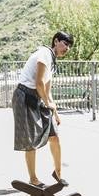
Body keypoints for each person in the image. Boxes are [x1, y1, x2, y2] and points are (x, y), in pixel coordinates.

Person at [12, 31, 73, 185]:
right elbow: (39, 82)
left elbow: (47, 90)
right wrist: (48, 103)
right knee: (30, 141)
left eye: (69, 46)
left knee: (54, 135)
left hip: (38, 97)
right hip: (24, 96)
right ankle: (33, 179)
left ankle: (58, 174)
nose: (67, 48)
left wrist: (55, 113)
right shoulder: (45, 53)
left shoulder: (52, 62)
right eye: (65, 44)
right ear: (56, 41)